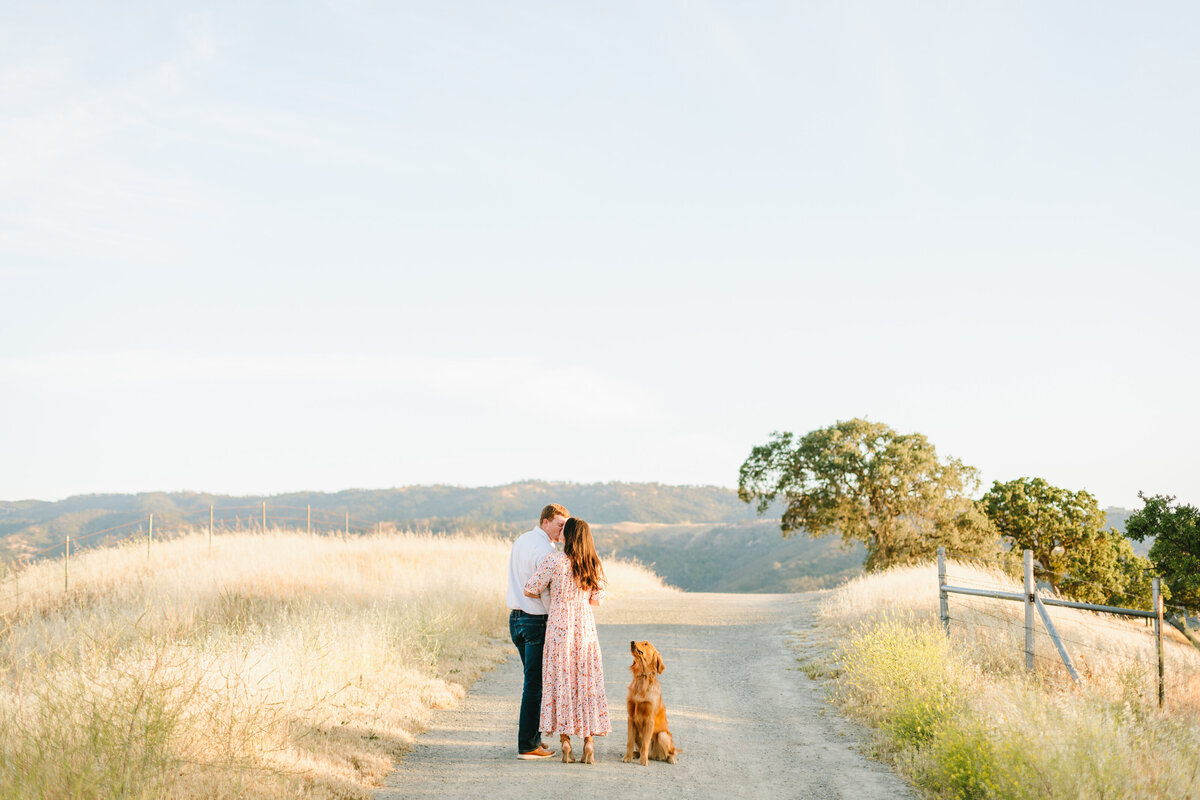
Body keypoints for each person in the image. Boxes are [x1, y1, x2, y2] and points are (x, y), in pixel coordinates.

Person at [522, 517, 611, 765]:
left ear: (568, 536)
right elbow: (597, 600)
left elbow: (530, 588)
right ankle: (588, 742)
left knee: (561, 681)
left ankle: (565, 742)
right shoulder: (593, 564)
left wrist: (551, 593)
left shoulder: (554, 561)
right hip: (584, 625)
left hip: (559, 625)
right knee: (585, 681)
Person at [506, 503, 569, 760]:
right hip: (535, 621)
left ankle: (533, 739)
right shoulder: (546, 551)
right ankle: (527, 746)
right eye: (559, 524)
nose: (562, 530)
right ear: (545, 521)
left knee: (533, 682)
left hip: (516, 619)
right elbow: (544, 591)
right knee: (535, 686)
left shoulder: (522, 540)